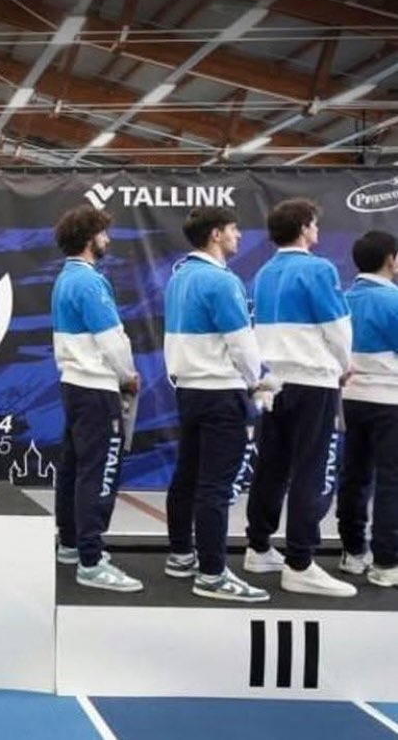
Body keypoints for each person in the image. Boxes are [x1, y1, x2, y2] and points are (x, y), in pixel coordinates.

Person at [246, 198, 355, 597]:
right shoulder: (319, 268)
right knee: (312, 468)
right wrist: (344, 364)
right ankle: (301, 563)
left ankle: (259, 546)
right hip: (313, 380)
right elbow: (337, 327)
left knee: (272, 465)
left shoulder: (263, 272)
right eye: (314, 225)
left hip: (276, 381)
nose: (318, 232)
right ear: (306, 227)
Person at [163, 207, 269, 602]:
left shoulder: (179, 278)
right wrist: (256, 381)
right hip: (221, 392)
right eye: (233, 229)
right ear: (215, 235)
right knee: (214, 486)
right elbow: (241, 341)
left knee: (188, 476)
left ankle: (180, 555)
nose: (239, 235)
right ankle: (211, 574)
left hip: (189, 390)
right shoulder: (222, 282)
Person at [51, 204, 142, 592]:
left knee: (75, 467)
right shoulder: (89, 282)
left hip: (75, 385)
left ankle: (71, 544)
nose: (107, 240)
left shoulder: (64, 278)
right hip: (96, 387)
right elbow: (112, 342)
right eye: (103, 233)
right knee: (98, 470)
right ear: (90, 239)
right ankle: (91, 560)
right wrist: (128, 376)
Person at [336, 230, 398, 588]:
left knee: (354, 476)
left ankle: (353, 554)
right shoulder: (394, 302)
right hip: (390, 403)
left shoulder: (343, 299)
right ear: (391, 259)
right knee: (391, 482)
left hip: (351, 400)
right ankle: (387, 563)